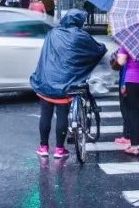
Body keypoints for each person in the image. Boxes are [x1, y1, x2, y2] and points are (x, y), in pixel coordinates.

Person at [30, 9, 107, 158]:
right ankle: (59, 149)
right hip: (66, 84)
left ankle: (43, 147)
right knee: (62, 115)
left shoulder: (52, 34)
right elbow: (97, 50)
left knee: (45, 115)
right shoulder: (81, 36)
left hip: (46, 81)